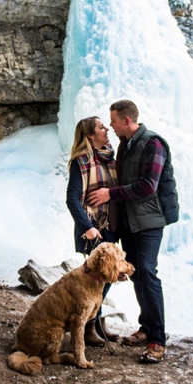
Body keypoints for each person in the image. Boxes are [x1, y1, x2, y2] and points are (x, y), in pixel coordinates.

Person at [87, 99, 178, 364]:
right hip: (129, 220)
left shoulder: (153, 143)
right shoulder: (126, 144)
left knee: (147, 272)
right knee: (136, 273)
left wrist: (109, 194)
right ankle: (146, 328)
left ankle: (157, 341)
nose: (111, 126)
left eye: (113, 121)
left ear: (127, 120)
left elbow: (149, 186)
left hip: (149, 222)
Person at [65, 116, 120, 346]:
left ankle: (96, 322)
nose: (106, 129)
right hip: (94, 229)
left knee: (105, 280)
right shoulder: (81, 162)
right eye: (100, 127)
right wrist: (87, 227)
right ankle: (88, 326)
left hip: (111, 225)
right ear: (90, 135)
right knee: (100, 279)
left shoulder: (109, 156)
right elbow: (72, 199)